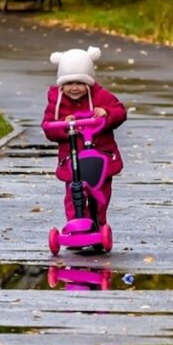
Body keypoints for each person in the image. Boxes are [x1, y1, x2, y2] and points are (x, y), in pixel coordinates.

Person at [41, 46, 126, 225]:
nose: (74, 88)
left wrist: (106, 113)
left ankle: (99, 225)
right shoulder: (56, 102)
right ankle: (76, 224)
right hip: (73, 159)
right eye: (69, 84)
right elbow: (48, 127)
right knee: (74, 194)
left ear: (89, 83)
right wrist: (64, 124)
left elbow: (120, 111)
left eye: (80, 83)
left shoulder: (101, 96)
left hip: (100, 155)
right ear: (61, 85)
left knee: (100, 194)